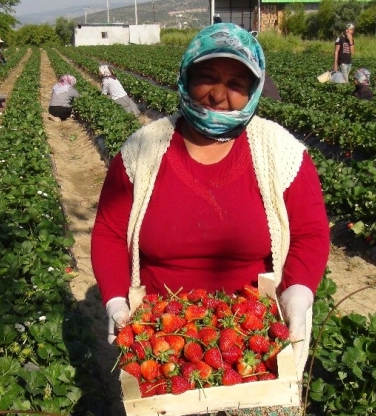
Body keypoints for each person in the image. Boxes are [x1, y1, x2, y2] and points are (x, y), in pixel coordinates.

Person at [91, 23, 330, 384]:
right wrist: (115, 298)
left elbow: (310, 232)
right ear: (185, 78)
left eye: (236, 84)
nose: (218, 95)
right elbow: (109, 232)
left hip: (254, 341)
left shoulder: (281, 152)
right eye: (207, 77)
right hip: (163, 340)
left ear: (253, 91)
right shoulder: (142, 151)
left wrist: (297, 291)